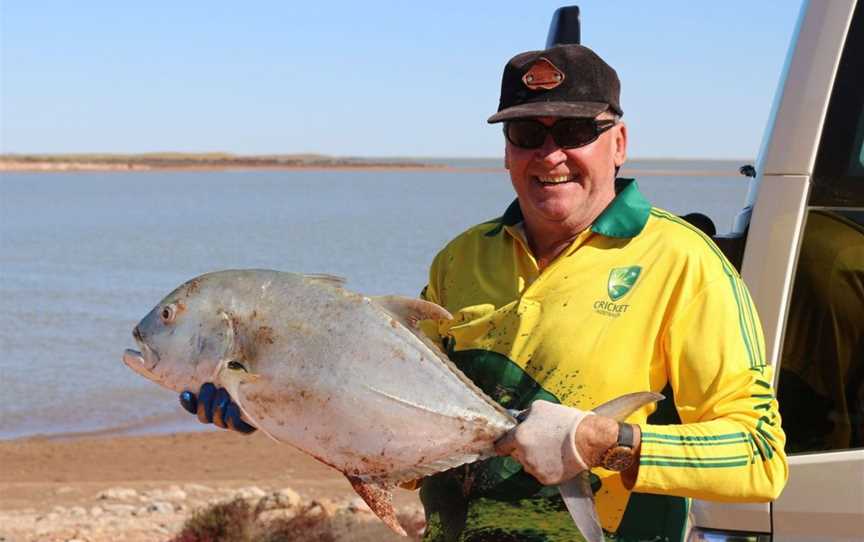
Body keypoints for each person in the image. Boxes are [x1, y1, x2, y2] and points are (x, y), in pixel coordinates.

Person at [182, 44, 788, 541]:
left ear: (619, 143)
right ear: (507, 150)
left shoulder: (685, 263)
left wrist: (605, 441)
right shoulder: (462, 258)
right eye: (527, 131)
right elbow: (410, 432)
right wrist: (282, 407)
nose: (550, 153)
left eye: (576, 129)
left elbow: (761, 459)